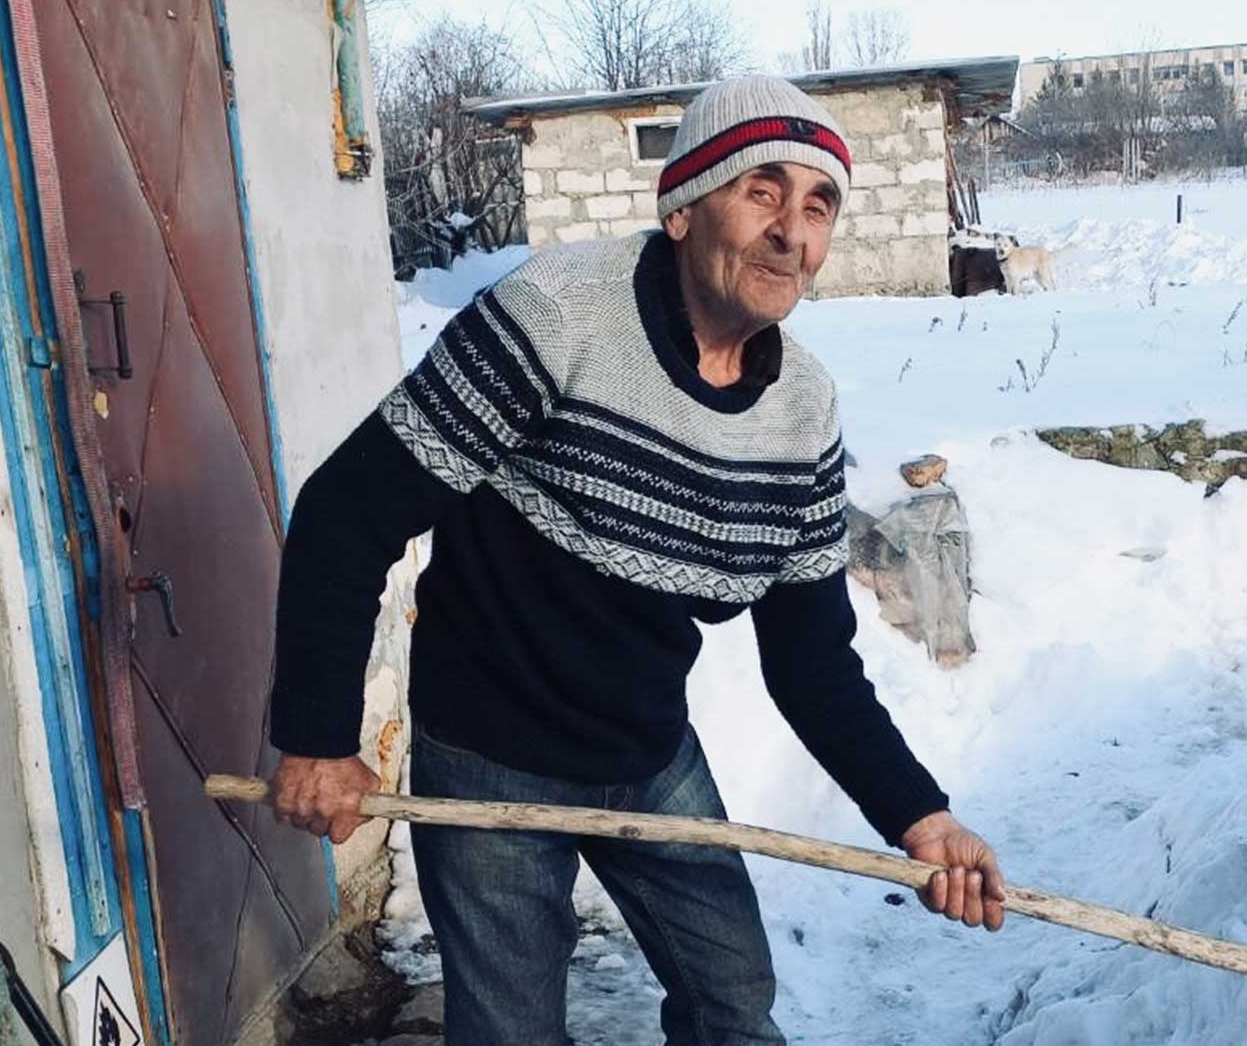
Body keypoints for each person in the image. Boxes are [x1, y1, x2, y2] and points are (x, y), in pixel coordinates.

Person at [264, 75, 1004, 1045]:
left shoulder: (801, 413)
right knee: (512, 1031)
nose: (793, 231)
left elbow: (813, 659)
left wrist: (922, 817)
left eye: (819, 203)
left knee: (734, 1000)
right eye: (763, 190)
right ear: (686, 208)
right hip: (490, 754)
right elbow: (347, 513)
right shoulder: (556, 317)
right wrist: (318, 736)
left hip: (646, 751)